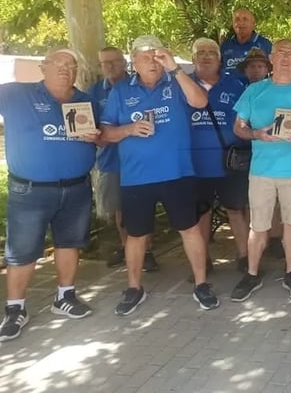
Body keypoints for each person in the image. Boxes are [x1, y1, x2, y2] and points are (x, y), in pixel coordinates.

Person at [100, 35, 219, 316]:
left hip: (178, 173)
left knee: (189, 229)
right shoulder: (120, 92)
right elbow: (104, 134)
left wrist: (174, 68)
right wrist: (129, 129)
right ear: (133, 61)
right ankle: (133, 288)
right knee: (136, 235)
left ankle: (201, 284)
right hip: (136, 177)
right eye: (145, 58)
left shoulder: (175, 82)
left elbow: (200, 101)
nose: (152, 63)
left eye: (157, 57)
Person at [0, 48, 99, 342]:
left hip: (76, 187)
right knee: (22, 252)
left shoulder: (86, 101)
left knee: (69, 244)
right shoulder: (16, 94)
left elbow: (104, 135)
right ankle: (15, 309)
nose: (66, 69)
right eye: (59, 63)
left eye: (72, 64)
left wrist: (98, 136)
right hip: (30, 190)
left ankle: (64, 297)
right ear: (43, 67)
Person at [230, 39, 291, 302]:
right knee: (258, 226)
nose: (286, 57)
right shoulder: (254, 91)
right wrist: (256, 134)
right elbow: (238, 127)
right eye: (281, 52)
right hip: (261, 171)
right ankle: (252, 274)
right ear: (271, 58)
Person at [90, 46, 159, 271]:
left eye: (114, 61)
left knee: (143, 208)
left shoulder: (140, 83)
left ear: (125, 62)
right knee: (119, 209)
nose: (110, 66)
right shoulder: (94, 92)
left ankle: (146, 251)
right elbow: (90, 123)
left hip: (141, 159)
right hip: (110, 160)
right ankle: (125, 246)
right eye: (105, 62)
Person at [187, 38, 250, 274]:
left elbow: (246, 119)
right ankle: (202, 262)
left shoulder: (235, 84)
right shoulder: (182, 85)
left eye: (211, 52)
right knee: (201, 213)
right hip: (195, 165)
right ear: (193, 58)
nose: (206, 56)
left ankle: (245, 257)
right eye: (200, 52)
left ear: (220, 58)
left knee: (236, 210)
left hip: (230, 163)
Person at [220, 8, 273, 79]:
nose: (241, 23)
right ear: (232, 24)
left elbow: (274, 71)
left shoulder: (265, 44)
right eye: (237, 19)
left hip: (258, 86)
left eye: (245, 19)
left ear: (253, 23)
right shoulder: (225, 46)